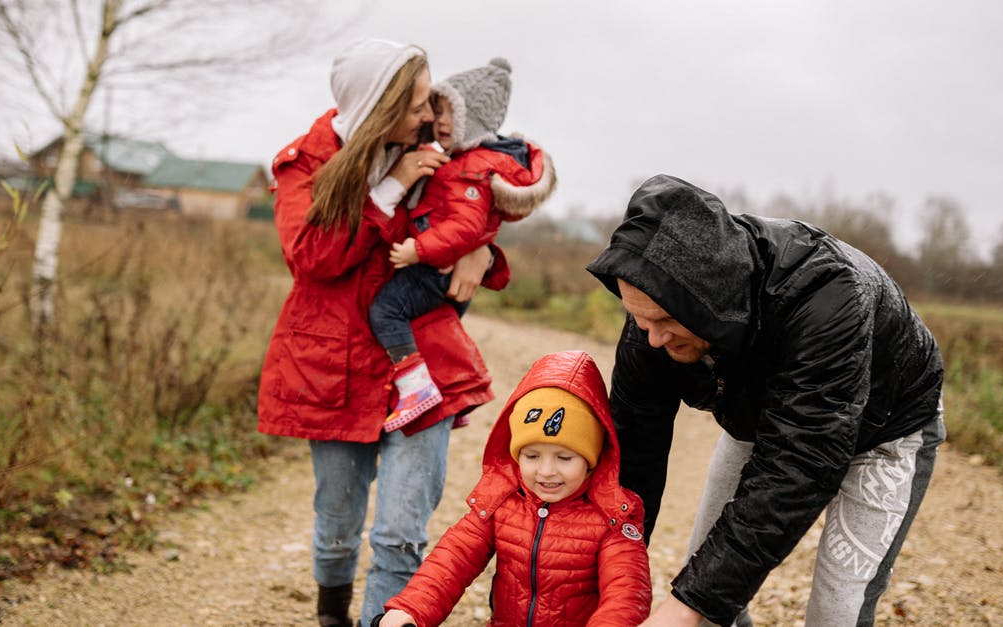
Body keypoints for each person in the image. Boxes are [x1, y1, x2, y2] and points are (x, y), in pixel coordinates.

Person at [585, 174, 946, 627]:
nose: (652, 339)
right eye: (638, 319)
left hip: (887, 425)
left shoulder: (827, 297)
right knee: (705, 574)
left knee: (834, 613)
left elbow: (799, 466)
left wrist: (688, 609)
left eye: (663, 322)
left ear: (708, 301)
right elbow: (634, 448)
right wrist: (607, 577)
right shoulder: (654, 312)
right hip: (764, 417)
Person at [256, 38, 511, 626]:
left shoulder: (434, 148)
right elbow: (312, 259)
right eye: (417, 104)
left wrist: (484, 251)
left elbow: (474, 208)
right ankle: (332, 616)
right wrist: (390, 186)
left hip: (425, 367)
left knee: (400, 533)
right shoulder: (306, 163)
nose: (430, 117)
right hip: (334, 368)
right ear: (379, 106)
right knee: (339, 524)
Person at [375, 350, 652, 627]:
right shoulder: (502, 500)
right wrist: (411, 609)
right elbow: (452, 559)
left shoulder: (613, 516)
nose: (546, 471)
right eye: (532, 456)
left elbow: (625, 596)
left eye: (564, 458)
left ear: (591, 458)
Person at [369, 57, 557, 432]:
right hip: (442, 265)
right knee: (433, 329)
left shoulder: (468, 169)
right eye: (437, 109)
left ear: (475, 121)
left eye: (450, 113)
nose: (439, 120)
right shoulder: (460, 160)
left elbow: (466, 227)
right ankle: (456, 400)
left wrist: (419, 250)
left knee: (386, 311)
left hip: (433, 268)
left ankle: (416, 390)